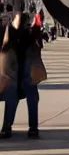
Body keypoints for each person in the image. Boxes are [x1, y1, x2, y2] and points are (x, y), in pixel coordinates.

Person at [0, 10, 43, 138]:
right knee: (22, 97)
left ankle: (9, 128)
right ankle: (29, 128)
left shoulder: (19, 32)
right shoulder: (15, 31)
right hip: (17, 70)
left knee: (16, 98)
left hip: (19, 69)